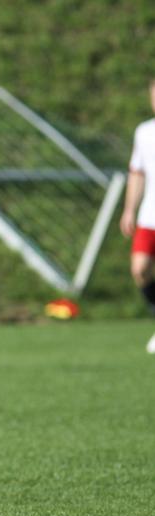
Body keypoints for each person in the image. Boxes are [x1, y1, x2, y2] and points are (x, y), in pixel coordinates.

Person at [120, 79, 155, 354]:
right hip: (149, 216)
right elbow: (137, 173)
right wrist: (130, 208)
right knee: (139, 269)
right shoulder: (144, 132)